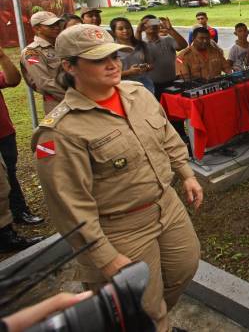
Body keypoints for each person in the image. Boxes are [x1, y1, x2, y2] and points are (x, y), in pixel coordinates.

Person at [32, 24, 203, 332]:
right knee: (141, 306)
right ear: (69, 66)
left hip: (167, 204)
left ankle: (153, 319)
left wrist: (186, 173)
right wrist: (105, 257)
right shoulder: (61, 131)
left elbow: (167, 137)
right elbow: (69, 208)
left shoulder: (137, 93)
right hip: (120, 227)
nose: (113, 64)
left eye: (114, 55)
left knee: (184, 268)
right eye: (98, 59)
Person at [1, 46, 44, 232]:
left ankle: (19, 212)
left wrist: (2, 57)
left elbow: (12, 80)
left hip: (3, 132)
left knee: (10, 172)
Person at [20, 11, 64, 113]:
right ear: (37, 29)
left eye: (57, 24)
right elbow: (44, 83)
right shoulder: (31, 53)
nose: (56, 27)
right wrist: (76, 96)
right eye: (51, 25)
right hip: (57, 103)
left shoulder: (62, 45)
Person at [141, 17, 188, 100]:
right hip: (153, 86)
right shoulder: (141, 44)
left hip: (173, 83)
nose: (152, 25)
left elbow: (183, 45)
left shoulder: (167, 40)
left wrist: (170, 30)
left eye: (154, 22)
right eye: (148, 23)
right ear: (143, 27)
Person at [110, 17, 155, 94]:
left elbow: (151, 65)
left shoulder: (142, 45)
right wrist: (129, 72)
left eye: (128, 27)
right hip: (123, 88)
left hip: (145, 86)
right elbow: (110, 75)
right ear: (114, 32)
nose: (125, 30)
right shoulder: (111, 50)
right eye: (120, 29)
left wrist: (145, 67)